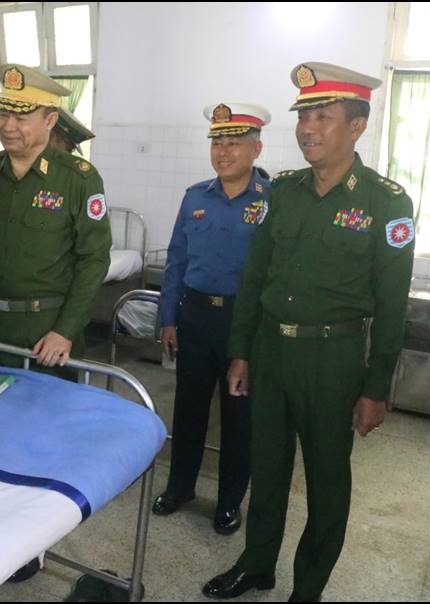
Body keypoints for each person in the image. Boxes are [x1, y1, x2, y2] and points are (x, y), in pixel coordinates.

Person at [203, 63, 415, 602]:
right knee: (267, 468)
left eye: (323, 116)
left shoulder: (386, 202)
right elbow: (256, 278)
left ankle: (309, 588)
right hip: (272, 351)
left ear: (357, 126)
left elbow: (392, 305)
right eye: (303, 117)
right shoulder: (285, 191)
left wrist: (375, 388)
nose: (307, 128)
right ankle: (257, 564)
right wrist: (242, 353)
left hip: (333, 359)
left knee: (327, 482)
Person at [0, 64, 112, 374]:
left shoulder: (77, 179)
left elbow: (93, 260)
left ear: (50, 120)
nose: (8, 126)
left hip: (48, 332)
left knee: (46, 406)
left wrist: (65, 331)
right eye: (3, 114)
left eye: (21, 118)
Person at [152, 103, 272, 535]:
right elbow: (176, 261)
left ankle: (229, 502)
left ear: (256, 149)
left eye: (234, 143)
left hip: (245, 322)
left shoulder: (272, 200)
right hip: (196, 317)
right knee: (188, 409)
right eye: (218, 142)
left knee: (240, 418)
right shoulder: (195, 197)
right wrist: (168, 318)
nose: (224, 152)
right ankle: (180, 487)